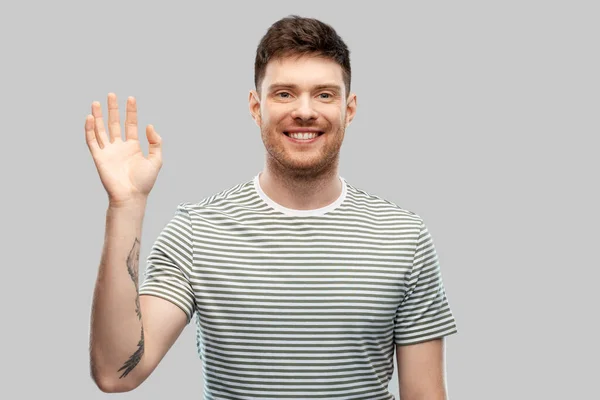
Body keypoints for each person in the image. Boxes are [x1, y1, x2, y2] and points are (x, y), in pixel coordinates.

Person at [87, 15, 458, 400]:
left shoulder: (404, 236)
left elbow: (425, 394)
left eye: (324, 94)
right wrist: (126, 205)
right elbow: (116, 374)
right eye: (284, 93)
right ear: (255, 106)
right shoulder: (197, 231)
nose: (304, 111)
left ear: (349, 109)